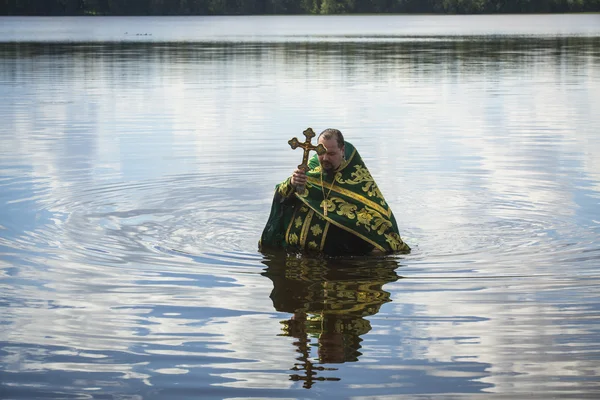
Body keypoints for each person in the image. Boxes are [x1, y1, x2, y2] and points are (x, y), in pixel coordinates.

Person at [259, 128, 410, 256]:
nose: (325, 158)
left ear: (342, 150)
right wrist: (292, 183)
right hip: (298, 252)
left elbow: (378, 218)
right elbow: (281, 195)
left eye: (331, 154)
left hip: (339, 259)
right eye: (321, 153)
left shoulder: (357, 179)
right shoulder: (309, 171)